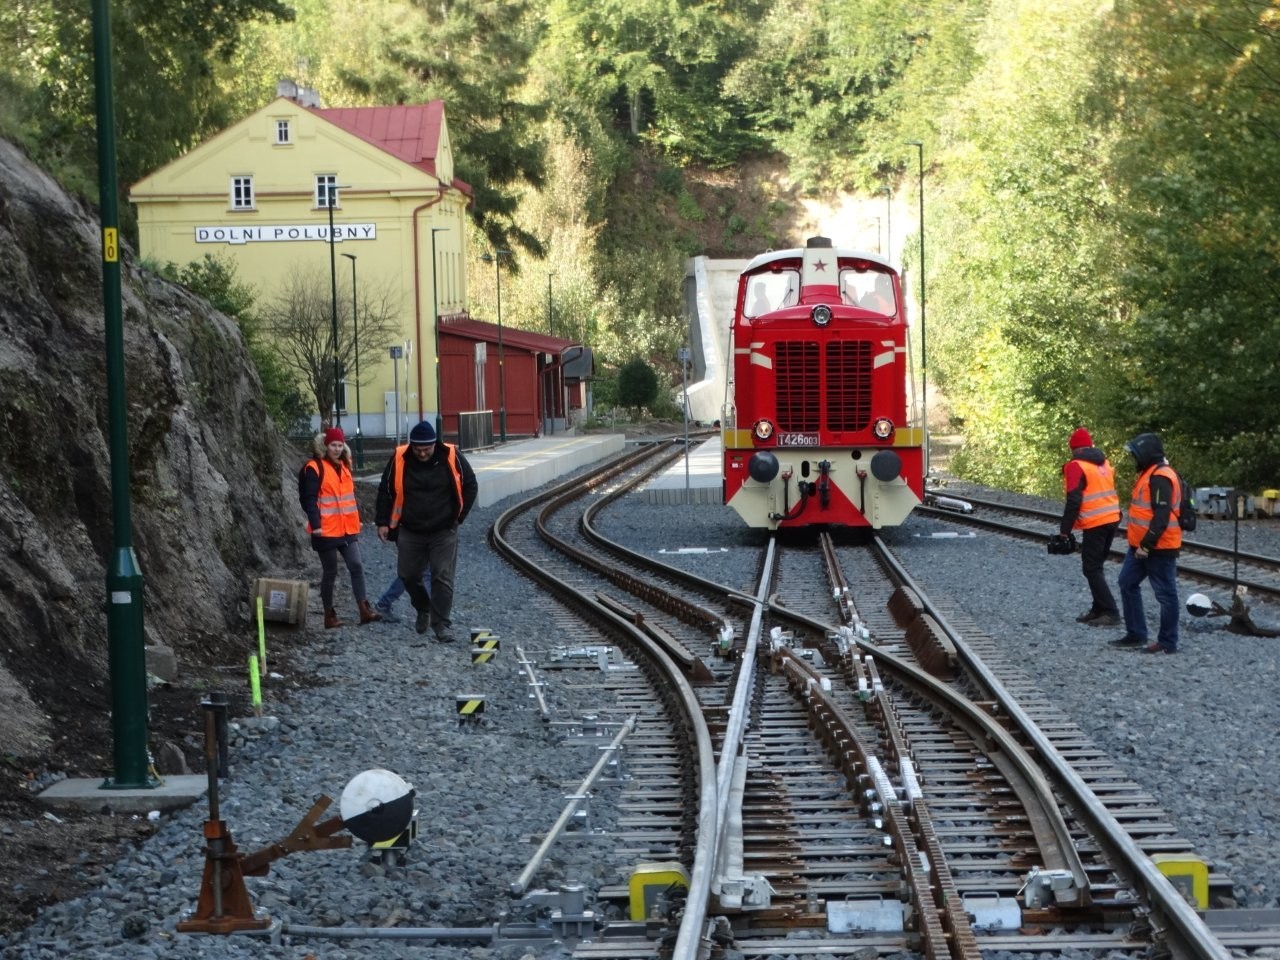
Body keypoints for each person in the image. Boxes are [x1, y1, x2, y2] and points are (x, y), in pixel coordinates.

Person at [375, 420, 478, 642]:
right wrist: (382, 522)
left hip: (443, 529)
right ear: (411, 446)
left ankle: (441, 625)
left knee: (442, 576)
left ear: (434, 444)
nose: (422, 453)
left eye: (426, 449)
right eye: (418, 449)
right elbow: (385, 490)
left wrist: (459, 517)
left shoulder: (451, 456)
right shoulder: (399, 458)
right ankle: (423, 607)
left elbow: (470, 484)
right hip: (410, 529)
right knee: (408, 575)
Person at [298, 427, 382, 628]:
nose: (337, 449)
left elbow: (348, 497)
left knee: (356, 565)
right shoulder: (314, 468)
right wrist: (316, 524)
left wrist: (356, 520)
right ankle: (329, 615)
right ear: (325, 446)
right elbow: (309, 499)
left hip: (347, 528)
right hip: (325, 530)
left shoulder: (344, 466)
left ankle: (364, 610)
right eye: (333, 445)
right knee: (330, 572)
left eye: (340, 445)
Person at [1111, 432, 1182, 654]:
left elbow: (1161, 516)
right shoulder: (1150, 473)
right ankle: (1136, 634)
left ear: (1147, 454)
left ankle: (1167, 642)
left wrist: (1146, 546)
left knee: (1165, 594)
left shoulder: (1160, 476)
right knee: (1127, 583)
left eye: (1136, 454)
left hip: (1158, 547)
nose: (1134, 458)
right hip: (1141, 546)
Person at [1057, 427, 1121, 626]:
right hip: (1112, 518)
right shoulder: (1103, 463)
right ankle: (1098, 609)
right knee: (1096, 566)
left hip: (1096, 522)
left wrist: (1064, 530)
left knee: (1091, 568)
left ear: (1073, 448)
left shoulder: (1076, 466)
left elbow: (1074, 499)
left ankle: (1110, 612)